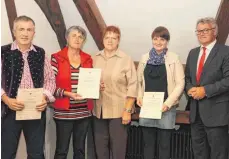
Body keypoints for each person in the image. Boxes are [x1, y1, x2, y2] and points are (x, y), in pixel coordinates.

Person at [1, 15, 56, 159]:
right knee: (7, 153)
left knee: (37, 154)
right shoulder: (3, 52)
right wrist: (6, 99)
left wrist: (44, 97)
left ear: (34, 33)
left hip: (36, 110)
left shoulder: (41, 53)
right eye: (21, 29)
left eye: (29, 30)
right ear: (14, 31)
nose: (25, 33)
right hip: (9, 110)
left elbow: (50, 79)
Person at [137, 26, 185, 159]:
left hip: (166, 108)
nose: (158, 42)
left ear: (167, 41)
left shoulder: (174, 58)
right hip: (147, 107)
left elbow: (180, 83)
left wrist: (168, 103)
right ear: (152, 40)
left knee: (164, 146)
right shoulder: (144, 57)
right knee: (147, 145)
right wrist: (139, 97)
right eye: (155, 38)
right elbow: (138, 81)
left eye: (162, 39)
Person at [185, 17, 229, 159]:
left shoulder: (225, 52)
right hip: (196, 114)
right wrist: (190, 88)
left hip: (217, 115)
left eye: (205, 30)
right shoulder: (192, 53)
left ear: (214, 31)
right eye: (198, 31)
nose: (201, 33)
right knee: (199, 153)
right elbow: (187, 78)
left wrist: (205, 90)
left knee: (219, 154)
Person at [92, 26, 138, 159]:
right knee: (100, 151)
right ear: (102, 39)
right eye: (107, 37)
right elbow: (88, 80)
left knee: (118, 151)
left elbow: (133, 85)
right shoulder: (95, 58)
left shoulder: (125, 59)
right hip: (98, 111)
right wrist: (95, 85)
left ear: (119, 41)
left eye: (114, 38)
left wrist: (127, 110)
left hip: (119, 111)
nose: (110, 41)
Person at [51, 26, 93, 159]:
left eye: (80, 36)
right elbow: (50, 86)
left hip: (84, 112)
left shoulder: (88, 59)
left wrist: (97, 85)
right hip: (64, 113)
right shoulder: (56, 58)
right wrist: (67, 93)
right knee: (61, 150)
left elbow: (91, 81)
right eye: (74, 35)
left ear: (83, 41)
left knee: (80, 150)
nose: (77, 39)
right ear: (67, 38)